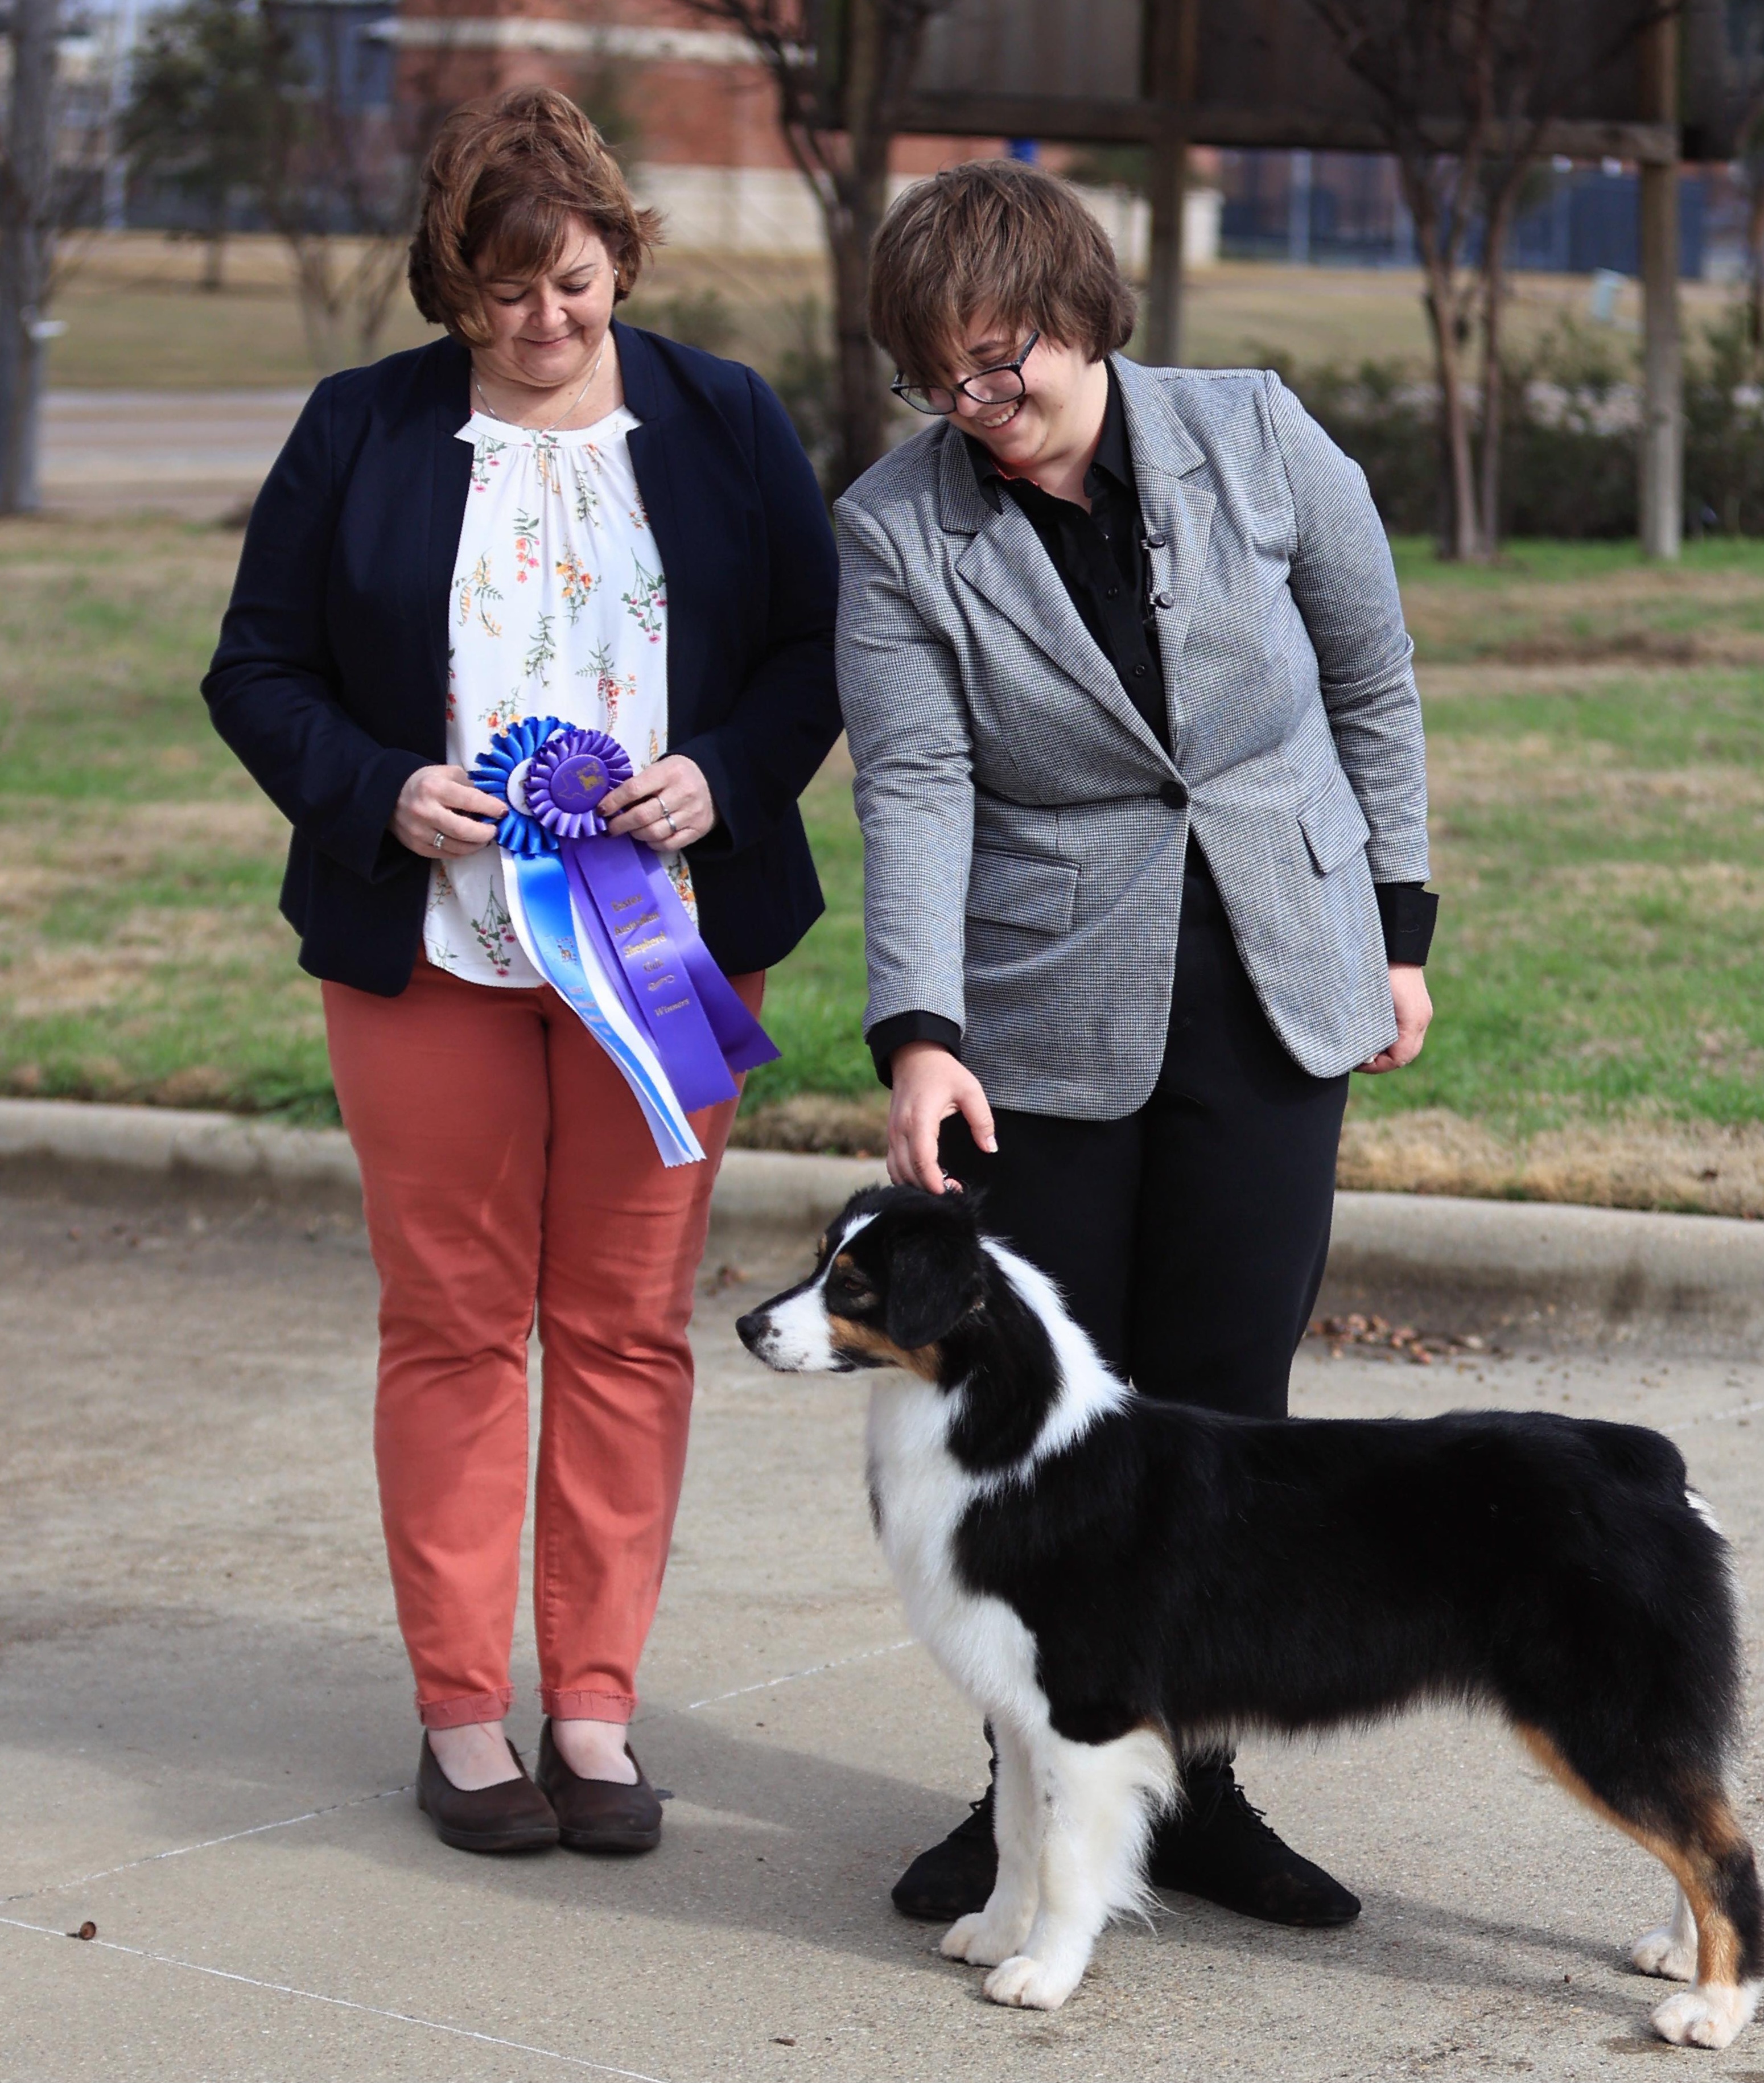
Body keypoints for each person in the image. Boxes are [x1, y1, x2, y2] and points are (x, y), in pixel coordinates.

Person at [204, 86, 841, 1857]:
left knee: (630, 1325)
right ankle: (463, 1716)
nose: (541, 323)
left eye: (569, 284)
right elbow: (254, 669)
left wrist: (726, 767)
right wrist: (371, 787)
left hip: (666, 950)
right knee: (459, 1321)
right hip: (429, 958)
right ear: (449, 290)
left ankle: (595, 1705)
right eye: (501, 295)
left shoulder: (722, 418)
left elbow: (815, 648)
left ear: (621, 259)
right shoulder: (360, 429)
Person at [835, 160, 1436, 1928]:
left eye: (1001, 363)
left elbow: (1370, 678)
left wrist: (1397, 930)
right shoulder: (895, 528)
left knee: (1225, 1412)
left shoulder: (1255, 432)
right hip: (1043, 1013)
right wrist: (922, 1031)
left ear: (1083, 314)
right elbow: (920, 784)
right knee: (1043, 1429)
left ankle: (1203, 1787)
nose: (974, 409)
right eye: (937, 378)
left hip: (1275, 972)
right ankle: (1025, 1783)